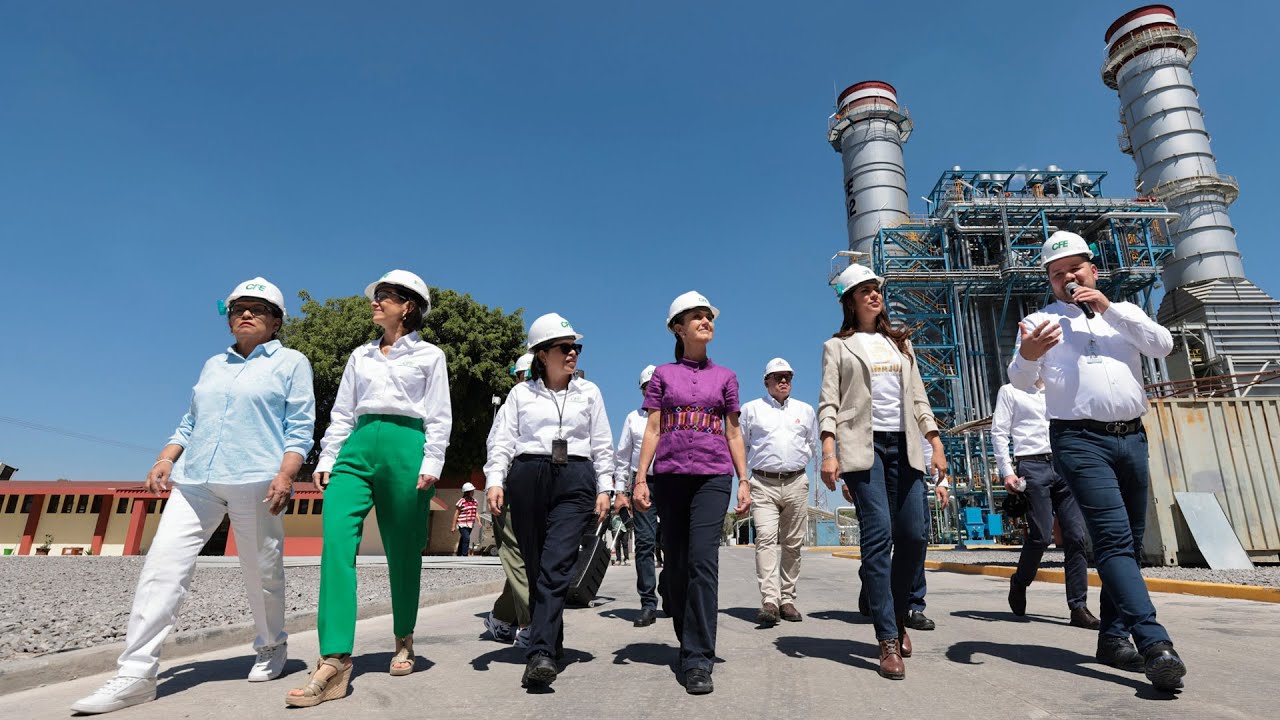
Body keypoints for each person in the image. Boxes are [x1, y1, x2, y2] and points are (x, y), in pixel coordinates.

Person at [72, 278, 315, 715]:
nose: (246, 314)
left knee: (261, 570)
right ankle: (136, 674)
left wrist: (285, 473)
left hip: (256, 478)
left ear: (276, 321)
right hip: (196, 478)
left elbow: (300, 425)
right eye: (238, 307)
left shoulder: (292, 363)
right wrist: (166, 457)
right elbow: (190, 420)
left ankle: (272, 645)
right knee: (162, 567)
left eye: (258, 308)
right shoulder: (212, 365)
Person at [1008, 231, 1184, 691]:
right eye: (1057, 273)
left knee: (1128, 540)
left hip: (1131, 437)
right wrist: (1028, 356)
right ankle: (1154, 642)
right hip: (1079, 441)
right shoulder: (1040, 321)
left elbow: (1162, 345)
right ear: (1049, 281)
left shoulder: (1120, 314)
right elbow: (1021, 382)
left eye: (1074, 269)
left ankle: (1112, 637)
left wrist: (1108, 308)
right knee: (1111, 540)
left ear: (1093, 269)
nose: (1067, 278)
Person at [288, 270, 451, 707]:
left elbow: (438, 415)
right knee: (337, 542)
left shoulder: (430, 356)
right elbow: (342, 411)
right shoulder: (360, 355)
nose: (375, 303)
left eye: (384, 297)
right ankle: (335, 658)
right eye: (376, 297)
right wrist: (326, 457)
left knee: (403, 548)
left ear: (408, 306)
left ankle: (404, 637)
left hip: (406, 447)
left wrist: (432, 460)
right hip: (357, 448)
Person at [818, 264, 947, 681]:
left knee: (913, 534)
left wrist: (936, 442)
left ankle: (897, 613)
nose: (875, 296)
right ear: (850, 301)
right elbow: (829, 403)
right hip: (864, 449)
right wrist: (828, 452)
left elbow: (919, 397)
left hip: (905, 446)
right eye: (865, 291)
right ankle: (888, 638)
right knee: (879, 536)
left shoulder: (900, 344)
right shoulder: (838, 347)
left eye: (877, 290)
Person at [483, 313, 614, 689]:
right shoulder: (520, 394)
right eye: (564, 347)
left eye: (576, 347)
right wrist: (495, 479)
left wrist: (605, 488)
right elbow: (502, 439)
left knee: (557, 565)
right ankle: (551, 647)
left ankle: (538, 652)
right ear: (542, 354)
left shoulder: (590, 393)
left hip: (575, 479)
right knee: (538, 566)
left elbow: (603, 444)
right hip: (527, 477)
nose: (573, 353)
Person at [630, 291, 750, 696]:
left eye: (708, 316)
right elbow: (652, 429)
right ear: (678, 328)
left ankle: (698, 656)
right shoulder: (663, 375)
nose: (705, 321)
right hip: (670, 476)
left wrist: (744, 480)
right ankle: (685, 627)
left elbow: (733, 431)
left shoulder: (727, 378)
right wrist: (640, 478)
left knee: (703, 562)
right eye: (696, 317)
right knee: (677, 566)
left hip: (713, 477)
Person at [991, 380, 1099, 629]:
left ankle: (1078, 606)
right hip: (1032, 465)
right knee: (1040, 536)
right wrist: (1007, 471)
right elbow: (999, 432)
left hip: (1064, 464)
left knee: (1075, 535)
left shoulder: (1059, 387)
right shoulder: (1010, 391)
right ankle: (1020, 581)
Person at [739, 358, 819, 626]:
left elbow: (812, 443)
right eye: (777, 377)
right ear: (766, 381)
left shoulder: (805, 410)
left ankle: (787, 599)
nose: (783, 381)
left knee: (793, 543)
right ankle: (770, 600)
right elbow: (741, 446)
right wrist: (742, 481)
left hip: (796, 482)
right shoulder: (750, 410)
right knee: (765, 539)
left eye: (787, 377)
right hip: (762, 484)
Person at [484, 352, 534, 647]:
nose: (526, 381)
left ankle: (502, 618)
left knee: (527, 558)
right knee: (517, 556)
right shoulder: (512, 402)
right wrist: (495, 483)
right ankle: (531, 623)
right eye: (523, 376)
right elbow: (497, 445)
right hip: (510, 487)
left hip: (537, 490)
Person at [613, 364, 659, 626]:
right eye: (647, 387)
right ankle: (648, 602)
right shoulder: (633, 419)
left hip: (672, 483)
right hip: (642, 484)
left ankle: (671, 593)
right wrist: (621, 491)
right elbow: (621, 458)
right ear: (642, 390)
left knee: (675, 545)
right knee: (644, 543)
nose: (652, 391)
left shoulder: (672, 416)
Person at [453, 482, 479, 556]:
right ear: (467, 492)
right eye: (471, 491)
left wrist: (479, 521)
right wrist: (453, 526)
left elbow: (475, 512)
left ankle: (459, 553)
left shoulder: (475, 501)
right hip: (462, 523)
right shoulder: (461, 501)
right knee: (466, 538)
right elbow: (456, 514)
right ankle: (464, 555)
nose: (473, 492)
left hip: (470, 524)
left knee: (463, 539)